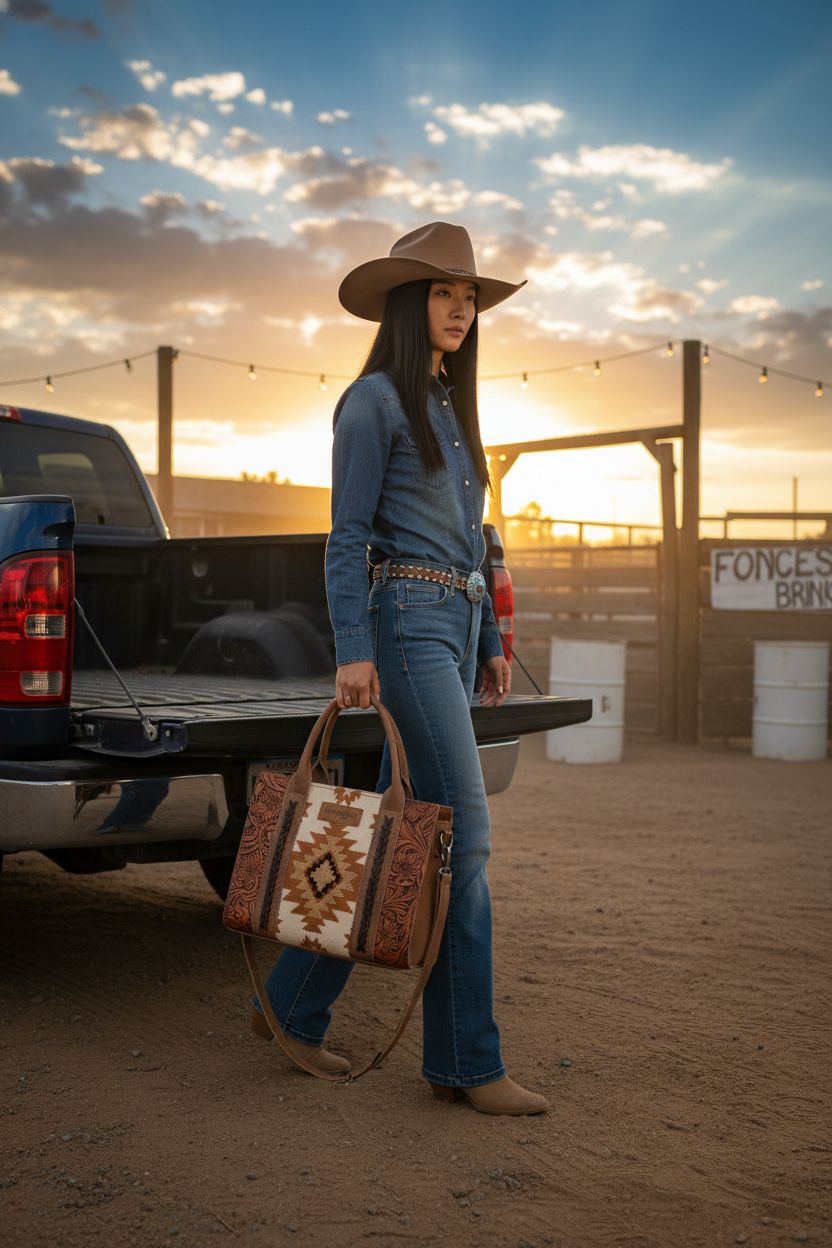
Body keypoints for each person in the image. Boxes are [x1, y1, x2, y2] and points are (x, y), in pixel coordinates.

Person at [250, 221, 549, 1115]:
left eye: (470, 296)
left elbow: (474, 538)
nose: (461, 309)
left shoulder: (453, 408)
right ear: (405, 304)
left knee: (395, 832)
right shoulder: (372, 402)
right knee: (465, 837)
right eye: (444, 293)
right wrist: (352, 648)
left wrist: (492, 638)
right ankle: (466, 1063)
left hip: (453, 628)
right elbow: (346, 536)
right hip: (407, 628)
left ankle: (291, 1007)